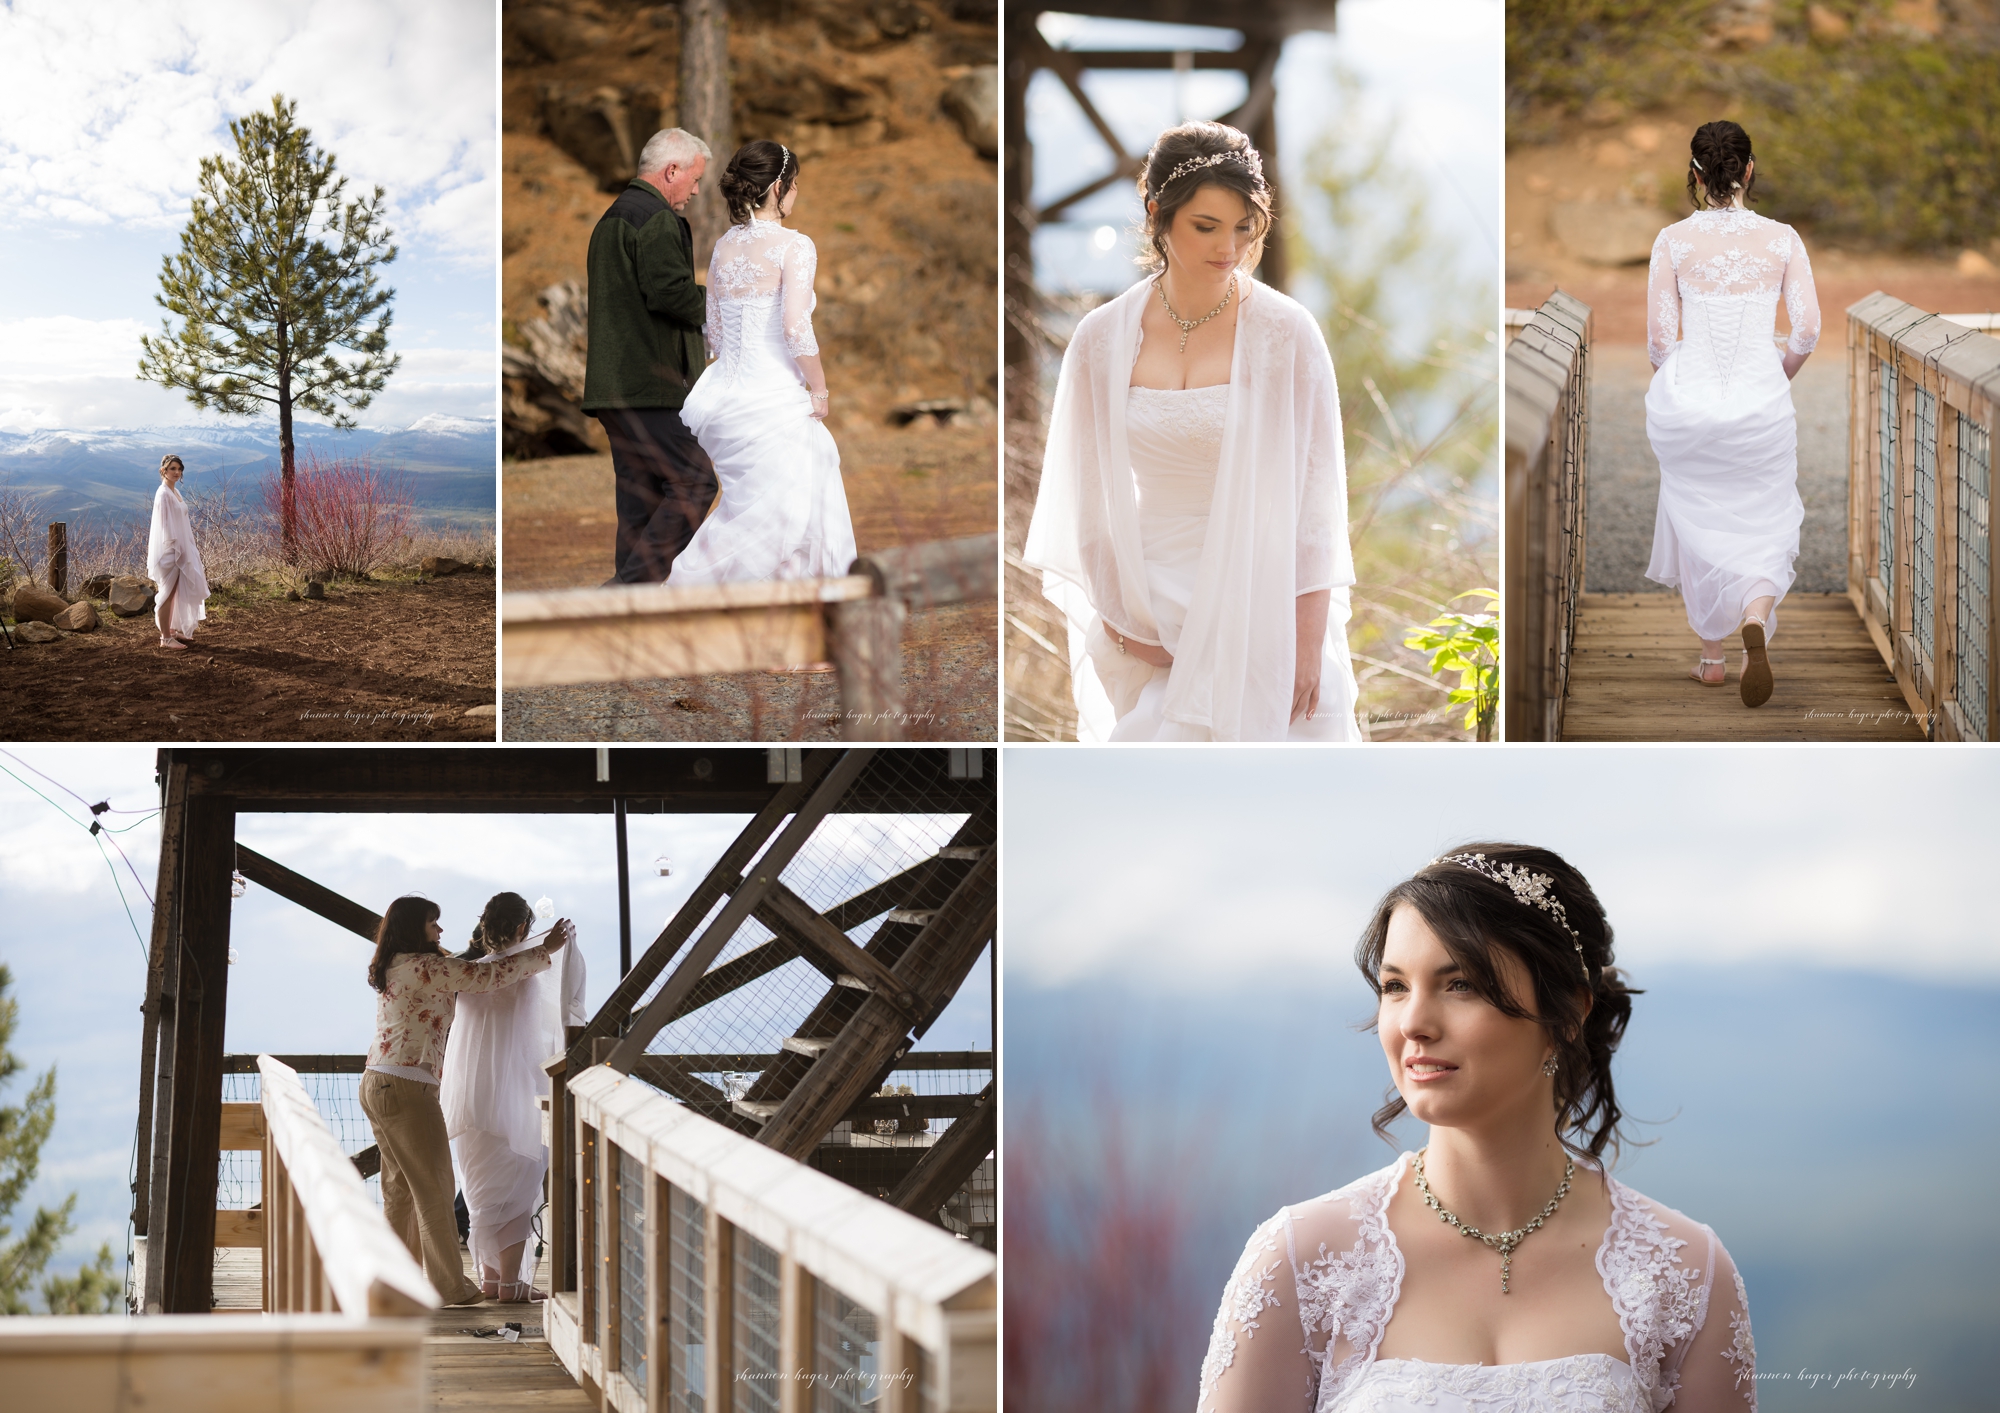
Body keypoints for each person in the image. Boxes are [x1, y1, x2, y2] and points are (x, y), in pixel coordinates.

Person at [1198, 845, 1757, 1413]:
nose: (1413, 1022)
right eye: (1395, 986)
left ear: (1567, 1015)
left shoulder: (1686, 1272)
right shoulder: (1301, 1262)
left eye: (1460, 983)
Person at [1022, 121, 1361, 741]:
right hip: (1149, 595)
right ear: (1158, 215)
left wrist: (1304, 642)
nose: (1227, 248)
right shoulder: (1100, 339)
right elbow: (1087, 495)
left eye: (1243, 227)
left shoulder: (1287, 332)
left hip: (1264, 591)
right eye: (1206, 227)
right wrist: (1125, 620)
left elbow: (1317, 503)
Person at [1644, 120, 1819, 708]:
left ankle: (1712, 660)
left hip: (1689, 403)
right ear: (1748, 170)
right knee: (1767, 517)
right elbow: (1809, 330)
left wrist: (1682, 391)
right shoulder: (1783, 239)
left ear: (1695, 174)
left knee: (1697, 518)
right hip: (1761, 400)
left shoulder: (1671, 241)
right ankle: (1755, 615)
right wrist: (1778, 373)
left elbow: (1660, 343)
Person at [359, 895, 572, 1307]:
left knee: (400, 1190)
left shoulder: (397, 963)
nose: (440, 930)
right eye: (432, 923)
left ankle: (395, 1281)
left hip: (376, 1081)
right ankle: (450, 1288)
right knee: (436, 1188)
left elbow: (476, 970)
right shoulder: (427, 967)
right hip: (406, 1087)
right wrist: (545, 951)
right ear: (413, 928)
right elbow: (485, 978)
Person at [666, 140, 857, 586]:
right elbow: (795, 328)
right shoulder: (795, 246)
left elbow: (712, 330)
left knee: (755, 511)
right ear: (777, 187)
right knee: (789, 514)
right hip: (771, 401)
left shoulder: (724, 246)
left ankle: (781, 633)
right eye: (794, 186)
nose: (796, 195)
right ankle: (711, 607)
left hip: (725, 400)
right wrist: (819, 389)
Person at [582, 126, 719, 585]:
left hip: (612, 387)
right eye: (694, 180)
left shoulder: (612, 219)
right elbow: (671, 293)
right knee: (695, 481)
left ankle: (627, 621)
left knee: (640, 503)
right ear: (671, 170)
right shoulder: (654, 218)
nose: (696, 191)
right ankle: (625, 591)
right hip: (651, 386)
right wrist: (724, 306)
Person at [440, 893, 588, 1302]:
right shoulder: (526, 972)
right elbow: (556, 1014)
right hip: (516, 1095)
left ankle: (491, 1280)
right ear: (522, 927)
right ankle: (509, 1284)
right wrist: (556, 948)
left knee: (483, 1190)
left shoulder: (470, 974)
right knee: (518, 1187)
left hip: (472, 1099)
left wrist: (544, 946)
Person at [146, 454, 209, 651]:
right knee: (167, 593)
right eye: (172, 468)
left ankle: (172, 630)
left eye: (179, 469)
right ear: (163, 470)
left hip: (181, 548)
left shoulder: (175, 492)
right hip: (171, 551)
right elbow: (165, 527)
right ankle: (165, 638)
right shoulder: (164, 494)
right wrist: (176, 550)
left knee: (175, 593)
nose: (177, 472)